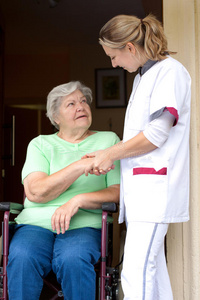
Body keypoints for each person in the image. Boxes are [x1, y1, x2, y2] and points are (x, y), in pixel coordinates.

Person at [83, 14, 191, 300]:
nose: (113, 64)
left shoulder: (170, 72)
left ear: (130, 48)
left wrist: (111, 153)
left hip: (155, 190)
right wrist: (109, 155)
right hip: (144, 192)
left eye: (113, 56)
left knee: (136, 273)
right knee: (153, 277)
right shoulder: (144, 76)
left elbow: (157, 134)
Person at [6, 81, 120, 300]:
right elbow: (36, 192)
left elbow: (117, 192)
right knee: (22, 255)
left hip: (85, 223)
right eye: (71, 103)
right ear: (55, 117)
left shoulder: (109, 140)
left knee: (73, 258)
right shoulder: (40, 144)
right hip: (36, 224)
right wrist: (79, 166)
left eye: (83, 101)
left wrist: (77, 201)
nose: (80, 106)